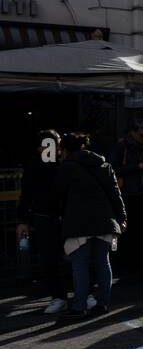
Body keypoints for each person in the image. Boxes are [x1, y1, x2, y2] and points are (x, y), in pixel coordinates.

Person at [54, 133, 127, 319]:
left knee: (80, 265)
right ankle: (103, 303)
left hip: (78, 222)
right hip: (105, 220)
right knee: (103, 262)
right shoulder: (104, 165)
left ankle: (79, 307)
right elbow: (115, 193)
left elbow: (59, 195)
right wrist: (122, 217)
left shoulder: (67, 167)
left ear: (66, 149)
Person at [17, 129, 70, 314]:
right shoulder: (34, 166)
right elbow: (26, 194)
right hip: (44, 217)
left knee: (75, 256)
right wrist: (23, 220)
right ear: (40, 147)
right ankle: (59, 296)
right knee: (49, 259)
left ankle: (82, 293)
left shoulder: (64, 163)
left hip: (67, 216)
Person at [109, 119, 143, 272]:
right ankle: (125, 261)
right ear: (133, 131)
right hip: (126, 194)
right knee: (127, 230)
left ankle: (139, 260)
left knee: (141, 228)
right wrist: (137, 167)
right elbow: (114, 169)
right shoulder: (122, 147)